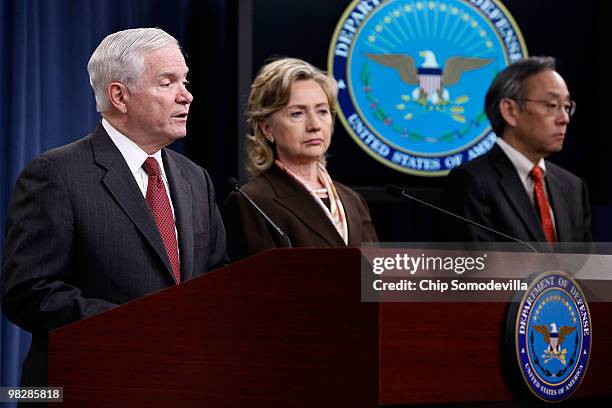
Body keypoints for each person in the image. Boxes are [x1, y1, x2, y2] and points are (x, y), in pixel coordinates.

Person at [0, 28, 227, 386]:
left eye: (185, 81)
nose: (186, 96)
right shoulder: (56, 174)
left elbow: (218, 279)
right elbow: (29, 292)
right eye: (167, 83)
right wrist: (137, 325)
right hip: (89, 384)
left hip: (181, 385)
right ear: (119, 96)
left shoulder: (194, 178)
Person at [224, 58, 378, 261]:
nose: (315, 125)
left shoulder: (352, 200)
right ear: (267, 128)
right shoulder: (252, 201)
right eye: (297, 113)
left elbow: (377, 281)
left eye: (322, 111)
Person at [442, 56, 592, 244]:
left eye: (567, 107)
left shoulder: (573, 188)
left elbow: (586, 268)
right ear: (510, 111)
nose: (564, 119)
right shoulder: (471, 183)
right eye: (552, 106)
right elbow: (477, 269)